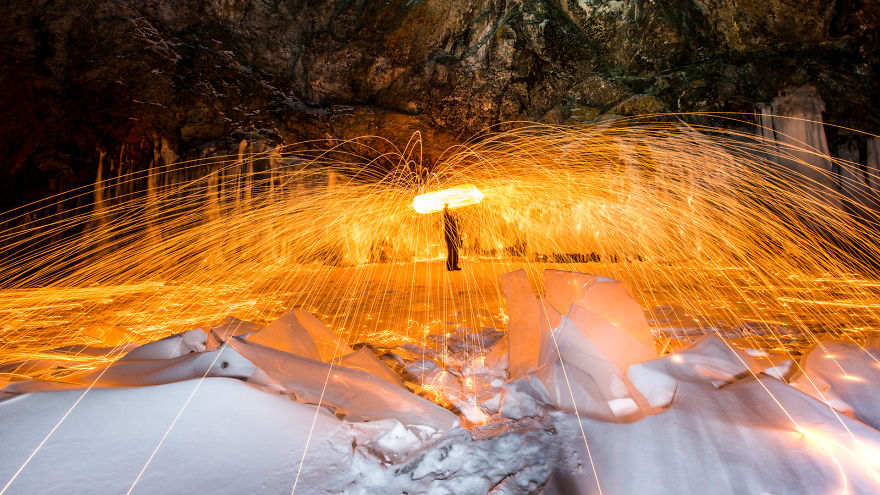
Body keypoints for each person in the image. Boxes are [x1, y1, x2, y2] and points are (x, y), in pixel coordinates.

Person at [442, 204, 461, 271]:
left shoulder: (456, 221)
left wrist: (459, 239)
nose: (455, 214)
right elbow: (445, 214)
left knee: (455, 252)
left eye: (456, 214)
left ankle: (455, 265)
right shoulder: (448, 219)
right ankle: (450, 267)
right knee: (451, 252)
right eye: (454, 213)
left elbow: (457, 231)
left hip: (455, 238)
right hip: (450, 238)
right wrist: (446, 207)